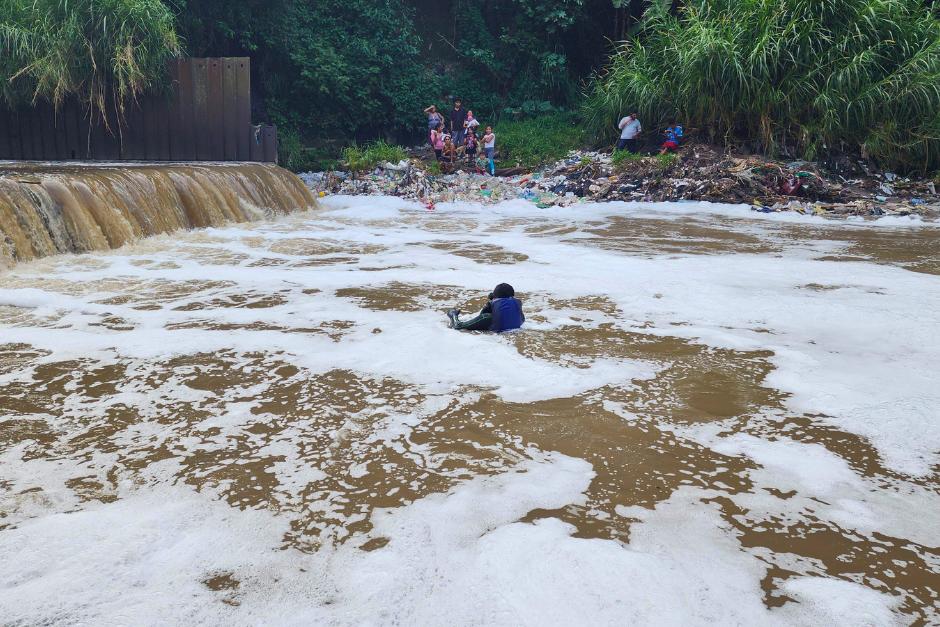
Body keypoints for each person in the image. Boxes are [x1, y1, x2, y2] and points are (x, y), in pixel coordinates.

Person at [447, 283, 525, 332]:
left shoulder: (490, 309)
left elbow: (482, 314)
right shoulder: (517, 304)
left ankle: (452, 315)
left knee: (458, 326)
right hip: (514, 328)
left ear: (495, 297)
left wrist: (490, 303)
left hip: (495, 327)